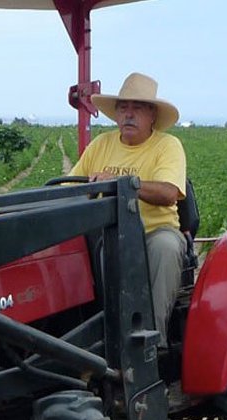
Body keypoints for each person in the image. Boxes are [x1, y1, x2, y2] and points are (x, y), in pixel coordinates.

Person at [69, 72, 186, 348]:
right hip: (109, 231)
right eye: (123, 107)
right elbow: (71, 186)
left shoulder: (167, 146)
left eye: (137, 107)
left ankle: (151, 344)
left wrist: (121, 184)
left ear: (152, 115)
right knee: (79, 248)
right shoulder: (101, 145)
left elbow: (169, 192)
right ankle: (91, 335)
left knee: (166, 248)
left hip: (154, 231)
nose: (128, 114)